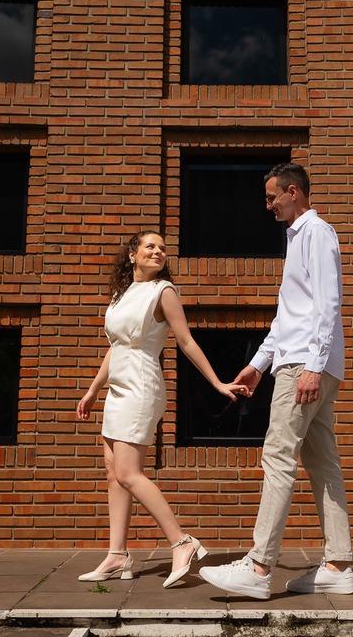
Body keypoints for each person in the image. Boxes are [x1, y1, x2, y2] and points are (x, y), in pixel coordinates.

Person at [199, 163, 353, 600]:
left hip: (306, 367)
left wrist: (312, 364)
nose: (267, 205)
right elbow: (290, 316)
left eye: (272, 197)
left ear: (293, 193)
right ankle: (338, 566)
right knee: (323, 465)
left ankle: (258, 565)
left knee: (277, 457)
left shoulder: (316, 233)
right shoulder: (298, 237)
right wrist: (258, 363)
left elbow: (328, 304)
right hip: (304, 363)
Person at [77, 230, 247, 588]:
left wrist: (216, 382)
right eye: (150, 246)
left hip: (141, 385)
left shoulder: (163, 292)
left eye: (163, 248)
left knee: (128, 473)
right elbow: (116, 346)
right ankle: (117, 555)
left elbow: (185, 340)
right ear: (131, 255)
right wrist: (94, 389)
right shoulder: (120, 295)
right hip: (117, 389)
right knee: (114, 474)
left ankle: (182, 542)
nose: (158, 252)